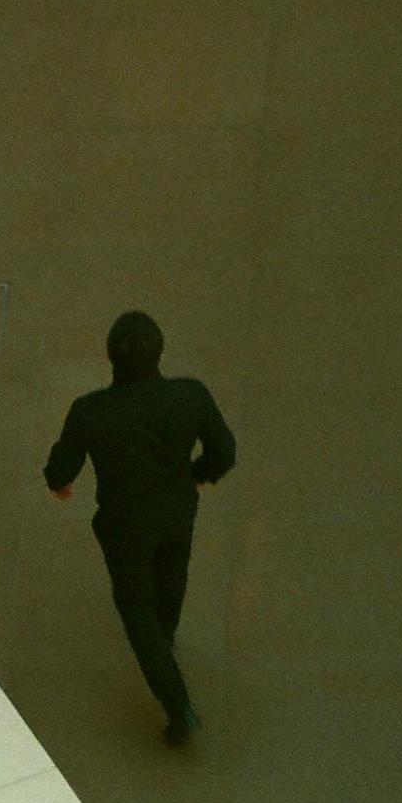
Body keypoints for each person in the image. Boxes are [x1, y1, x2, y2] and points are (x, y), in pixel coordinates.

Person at [42, 311, 237, 744]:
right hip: (177, 511)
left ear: (109, 357)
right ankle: (164, 643)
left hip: (123, 523)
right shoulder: (191, 395)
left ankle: (177, 702)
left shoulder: (90, 411)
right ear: (160, 352)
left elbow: (61, 469)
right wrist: (197, 475)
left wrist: (59, 484)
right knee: (172, 578)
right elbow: (224, 450)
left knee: (135, 606)